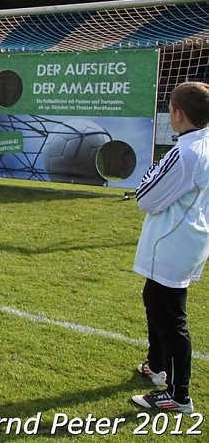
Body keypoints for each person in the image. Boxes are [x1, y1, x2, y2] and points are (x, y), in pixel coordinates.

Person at [131, 81, 209, 414]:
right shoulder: (202, 143)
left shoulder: (186, 152)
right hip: (187, 239)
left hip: (173, 241)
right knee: (156, 300)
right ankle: (157, 365)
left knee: (170, 316)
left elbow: (145, 198)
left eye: (171, 107)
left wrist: (151, 175)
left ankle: (178, 395)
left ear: (178, 113)